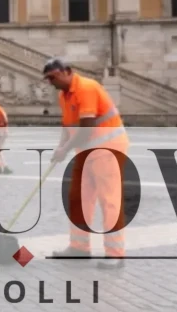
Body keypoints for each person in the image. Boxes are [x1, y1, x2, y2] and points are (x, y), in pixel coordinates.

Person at [42, 57, 130, 270]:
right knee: (78, 199)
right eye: (47, 79)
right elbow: (68, 126)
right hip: (86, 150)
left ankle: (115, 254)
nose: (50, 82)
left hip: (108, 148)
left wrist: (65, 149)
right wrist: (60, 146)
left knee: (108, 201)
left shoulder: (86, 88)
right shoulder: (64, 95)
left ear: (67, 71)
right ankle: (79, 248)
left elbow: (87, 127)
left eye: (52, 77)